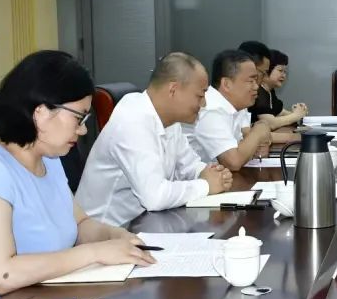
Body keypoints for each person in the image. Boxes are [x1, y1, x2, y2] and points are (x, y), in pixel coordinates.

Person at [0, 50, 154, 299]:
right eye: (79, 118)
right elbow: (1, 275)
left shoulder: (48, 159)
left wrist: (116, 237)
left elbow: (81, 225)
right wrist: (96, 252)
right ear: (41, 113)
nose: (83, 131)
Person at [75, 52, 233, 227]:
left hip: (143, 223)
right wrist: (206, 185)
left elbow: (188, 165)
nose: (203, 104)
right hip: (105, 232)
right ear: (173, 90)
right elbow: (155, 197)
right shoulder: (133, 120)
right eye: (200, 96)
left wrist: (214, 173)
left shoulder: (169, 120)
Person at [189, 49, 275, 171]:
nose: (256, 86)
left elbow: (241, 150)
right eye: (251, 81)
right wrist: (258, 131)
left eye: (256, 81)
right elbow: (233, 162)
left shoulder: (235, 107)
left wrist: (256, 147)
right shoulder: (211, 109)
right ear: (226, 84)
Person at [237, 40, 307, 141]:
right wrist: (296, 116)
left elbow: (250, 134)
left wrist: (298, 114)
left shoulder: (265, 92)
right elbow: (269, 124)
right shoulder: (256, 93)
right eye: (280, 70)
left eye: (285, 72)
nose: (283, 75)